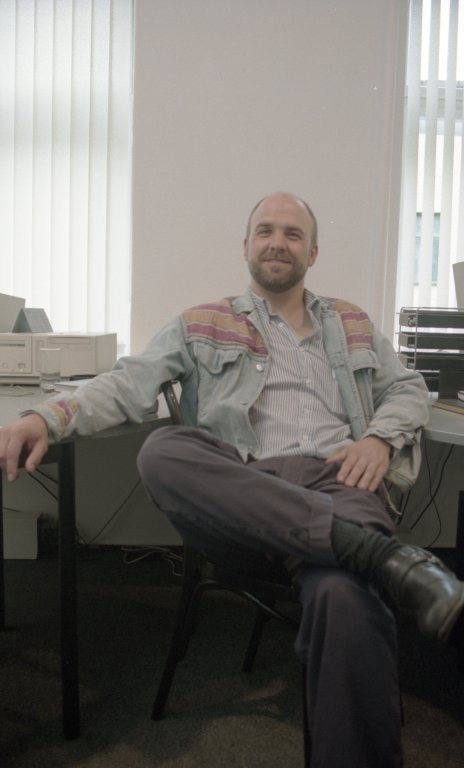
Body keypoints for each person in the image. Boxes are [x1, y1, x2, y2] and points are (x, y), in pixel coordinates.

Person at [0, 192, 462, 767]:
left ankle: (363, 557)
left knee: (341, 594)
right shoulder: (201, 322)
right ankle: (385, 557)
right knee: (164, 449)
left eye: (292, 234)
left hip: (340, 481)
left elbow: (408, 387)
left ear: (313, 252)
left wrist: (377, 439)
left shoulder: (352, 323)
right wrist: (45, 417)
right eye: (266, 231)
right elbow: (125, 384)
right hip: (247, 497)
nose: (277, 242)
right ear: (246, 245)